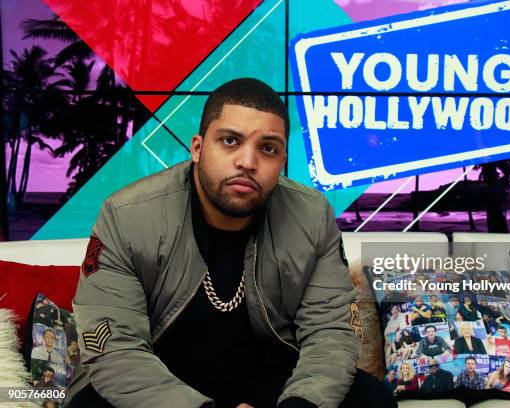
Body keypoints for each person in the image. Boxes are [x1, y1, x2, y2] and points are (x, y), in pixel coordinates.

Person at [65, 78, 396, 408]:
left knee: (373, 401)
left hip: (275, 382)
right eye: (229, 141)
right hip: (162, 382)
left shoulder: (312, 216)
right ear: (197, 148)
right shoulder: (126, 216)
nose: (247, 162)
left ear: (282, 162)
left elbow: (331, 332)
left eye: (268, 148)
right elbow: (114, 346)